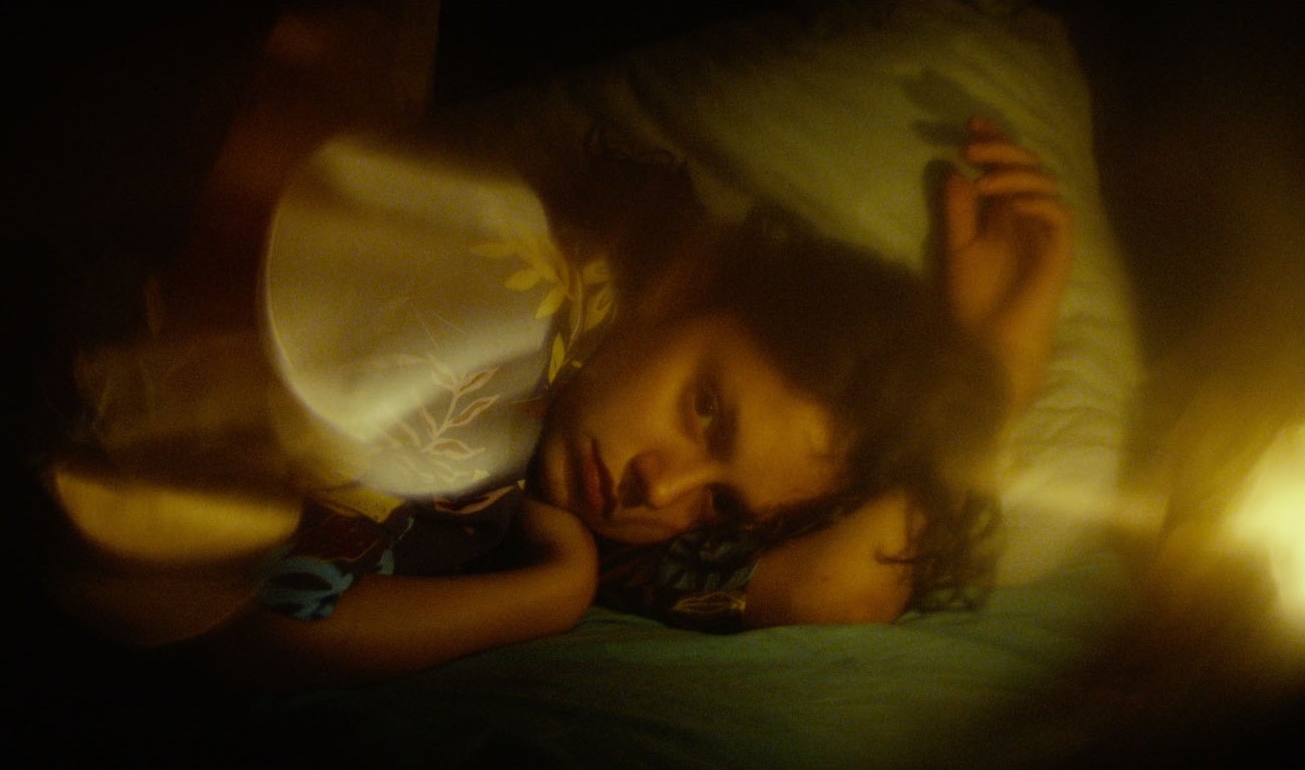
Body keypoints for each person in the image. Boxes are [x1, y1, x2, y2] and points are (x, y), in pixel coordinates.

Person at [203, 117, 1071, 687]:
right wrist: (553, 594)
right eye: (706, 409)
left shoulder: (579, 456)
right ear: (689, 285)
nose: (663, 487)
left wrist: (992, 377)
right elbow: (268, 619)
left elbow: (835, 590)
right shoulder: (518, 305)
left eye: (720, 502)